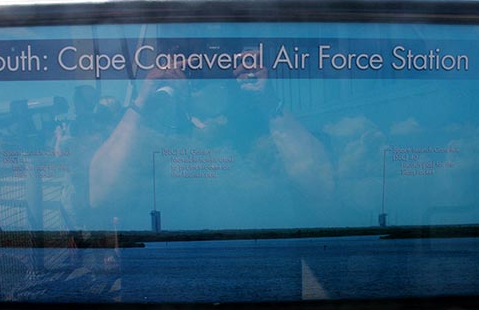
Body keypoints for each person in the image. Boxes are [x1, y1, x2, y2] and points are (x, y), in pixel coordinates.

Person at [88, 45, 334, 229]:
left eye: (216, 67)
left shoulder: (264, 127)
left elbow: (321, 188)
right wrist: (145, 99)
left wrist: (268, 101)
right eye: (189, 70)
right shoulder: (152, 133)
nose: (200, 78)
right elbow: (100, 197)